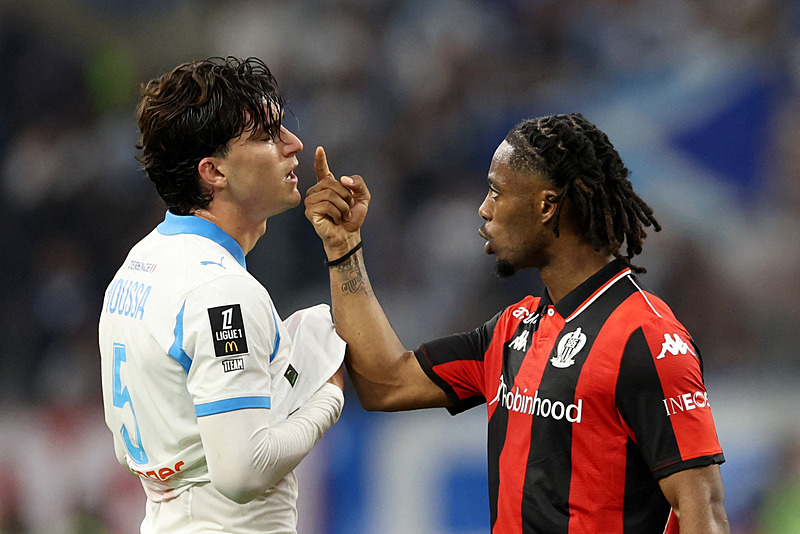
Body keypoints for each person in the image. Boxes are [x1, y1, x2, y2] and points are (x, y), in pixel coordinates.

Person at [304, 113, 730, 533]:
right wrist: (344, 248)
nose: (483, 209)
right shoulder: (513, 329)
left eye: (496, 191)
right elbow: (386, 383)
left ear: (546, 206)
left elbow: (703, 510)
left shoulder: (647, 337)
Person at [99, 56, 345, 534]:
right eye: (267, 135)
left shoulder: (140, 263)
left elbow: (147, 445)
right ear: (213, 172)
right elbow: (242, 472)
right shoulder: (222, 292)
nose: (294, 143)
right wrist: (326, 394)